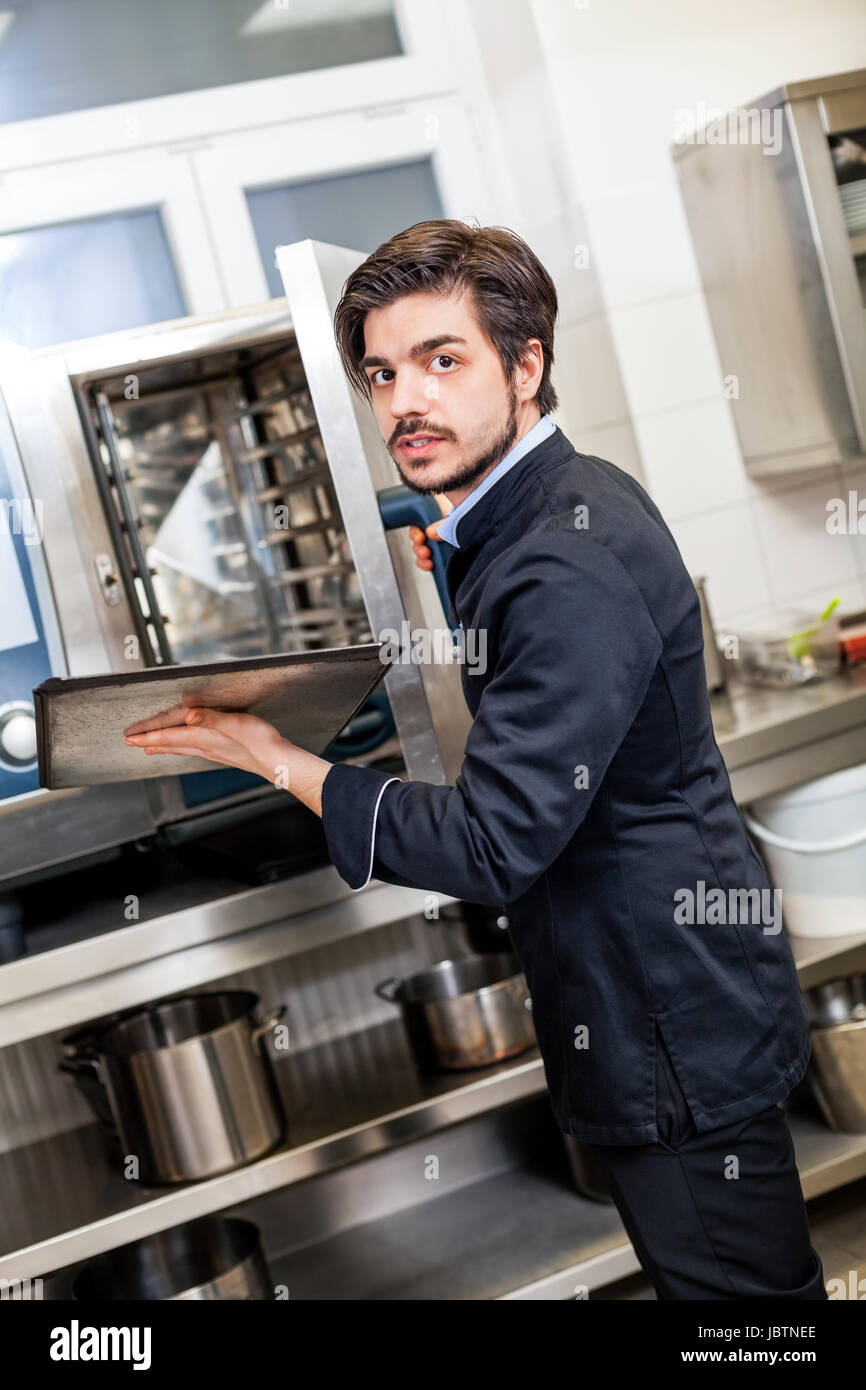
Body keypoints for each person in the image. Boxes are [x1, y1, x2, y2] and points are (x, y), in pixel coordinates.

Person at [124, 219, 826, 1300]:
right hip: (680, 982)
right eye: (382, 372)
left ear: (526, 363)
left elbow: (495, 841)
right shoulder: (554, 498)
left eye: (441, 360)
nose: (405, 399)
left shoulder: (557, 559)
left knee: (739, 1310)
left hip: (663, 1010)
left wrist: (276, 756)